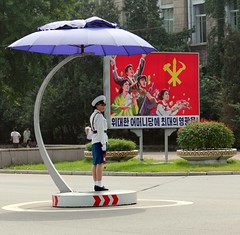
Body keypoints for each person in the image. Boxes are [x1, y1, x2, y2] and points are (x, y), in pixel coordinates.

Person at [90, 95, 108, 191]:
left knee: (95, 163)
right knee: (100, 163)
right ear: (97, 105)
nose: (104, 106)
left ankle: (97, 183)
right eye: (102, 105)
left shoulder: (93, 115)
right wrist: (103, 144)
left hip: (95, 140)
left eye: (104, 105)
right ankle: (99, 184)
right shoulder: (99, 116)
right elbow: (101, 131)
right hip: (99, 140)